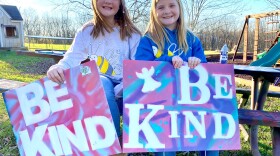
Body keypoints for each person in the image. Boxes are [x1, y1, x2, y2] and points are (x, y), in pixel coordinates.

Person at [47, 0, 141, 155]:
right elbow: (72, 57)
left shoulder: (132, 33)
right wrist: (58, 67)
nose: (108, 2)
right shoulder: (86, 31)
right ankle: (114, 144)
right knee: (101, 83)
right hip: (99, 88)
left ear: (121, 3)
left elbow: (136, 68)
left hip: (125, 88)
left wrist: (120, 89)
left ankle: (127, 142)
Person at [135, 0, 219, 156]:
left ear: (179, 8)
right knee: (165, 142)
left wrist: (197, 62)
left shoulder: (192, 39)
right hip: (162, 102)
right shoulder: (148, 40)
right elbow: (140, 67)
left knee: (210, 133)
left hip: (191, 101)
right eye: (161, 7)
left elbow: (205, 71)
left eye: (171, 5)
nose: (167, 11)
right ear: (154, 11)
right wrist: (167, 61)